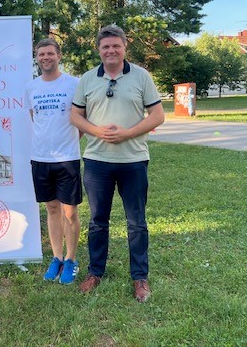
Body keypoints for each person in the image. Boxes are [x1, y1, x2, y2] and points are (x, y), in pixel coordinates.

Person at [70, 25, 164, 303]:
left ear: (124, 47)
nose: (111, 51)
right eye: (105, 47)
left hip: (133, 160)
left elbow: (157, 115)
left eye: (116, 46)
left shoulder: (141, 76)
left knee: (137, 222)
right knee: (98, 221)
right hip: (97, 161)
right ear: (99, 50)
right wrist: (97, 132)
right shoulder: (88, 79)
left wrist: (127, 133)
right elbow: (75, 116)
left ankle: (140, 277)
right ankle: (95, 272)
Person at [24, 38, 82, 285]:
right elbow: (35, 118)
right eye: (41, 54)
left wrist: (69, 142)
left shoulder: (74, 84)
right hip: (40, 158)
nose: (45, 57)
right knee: (51, 208)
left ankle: (71, 259)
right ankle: (57, 257)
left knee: (70, 212)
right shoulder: (31, 88)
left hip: (67, 158)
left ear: (59, 56)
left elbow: (81, 120)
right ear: (37, 58)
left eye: (50, 53)